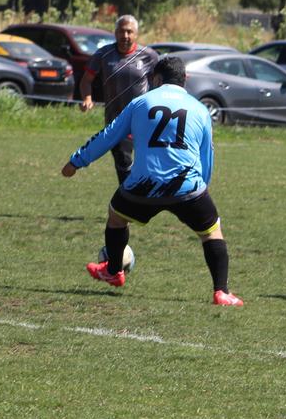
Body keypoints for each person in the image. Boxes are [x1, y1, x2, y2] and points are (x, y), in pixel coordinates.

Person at [62, 55, 244, 306]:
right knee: (212, 232)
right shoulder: (200, 109)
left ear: (156, 78)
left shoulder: (141, 103)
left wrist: (77, 161)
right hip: (188, 187)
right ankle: (221, 292)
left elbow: (109, 135)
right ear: (185, 79)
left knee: (116, 217)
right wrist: (203, 187)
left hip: (143, 186)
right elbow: (207, 155)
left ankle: (114, 271)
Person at [78, 15, 160, 183]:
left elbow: (162, 79)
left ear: (136, 34)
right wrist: (87, 98)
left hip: (144, 119)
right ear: (115, 33)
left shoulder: (149, 56)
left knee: (148, 164)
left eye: (129, 32)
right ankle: (128, 194)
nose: (125, 36)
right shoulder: (103, 54)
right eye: (121, 31)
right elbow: (86, 80)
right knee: (123, 162)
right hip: (116, 120)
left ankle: (142, 192)